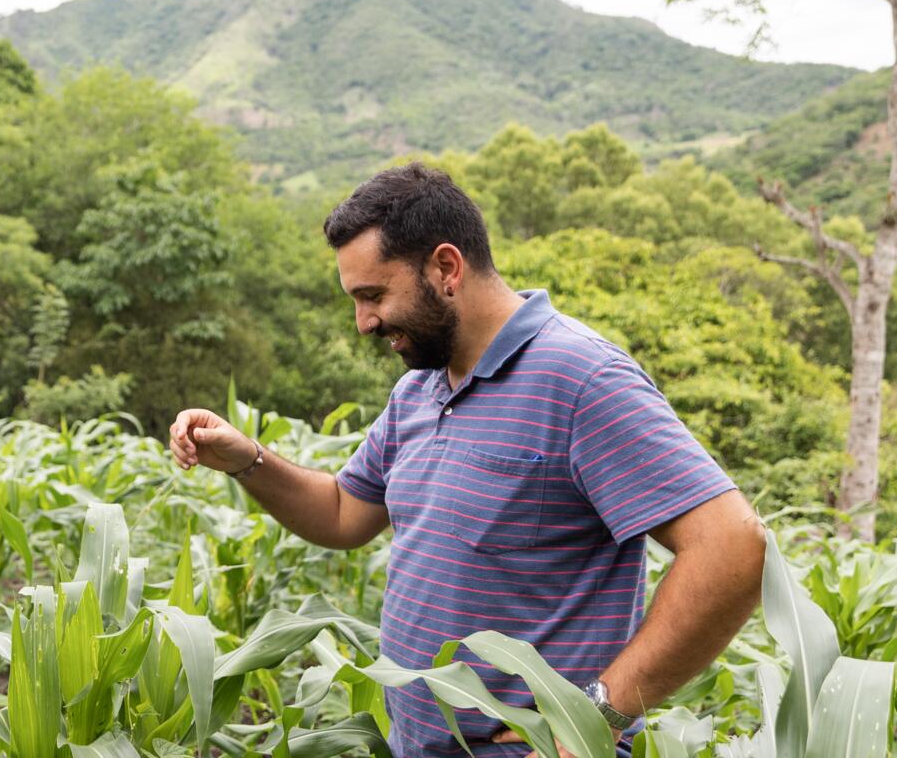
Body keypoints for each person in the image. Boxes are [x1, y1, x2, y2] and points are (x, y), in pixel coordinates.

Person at [168, 163, 766, 757]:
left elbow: (732, 546)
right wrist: (247, 460)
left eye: (373, 295)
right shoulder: (419, 390)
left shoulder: (581, 378)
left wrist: (596, 714)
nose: (363, 323)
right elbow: (343, 514)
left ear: (446, 267)